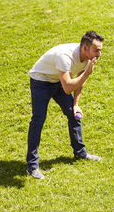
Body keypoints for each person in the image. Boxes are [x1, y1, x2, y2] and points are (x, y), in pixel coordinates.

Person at [26, 31, 104, 179]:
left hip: (58, 81)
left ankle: (80, 153)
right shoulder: (65, 56)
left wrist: (76, 104)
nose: (99, 54)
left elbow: (79, 82)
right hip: (41, 82)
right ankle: (32, 166)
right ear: (85, 48)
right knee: (38, 120)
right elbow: (68, 87)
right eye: (96, 50)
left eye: (100, 50)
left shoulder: (87, 57)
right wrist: (88, 72)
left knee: (73, 114)